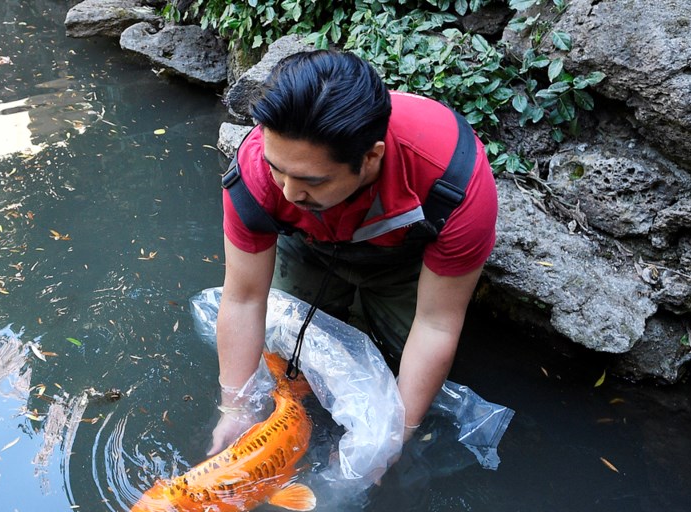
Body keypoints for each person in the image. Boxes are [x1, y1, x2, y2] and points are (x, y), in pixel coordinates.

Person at [209, 49, 498, 456]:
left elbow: (436, 325)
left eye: (311, 179)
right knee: (283, 357)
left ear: (370, 157)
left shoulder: (452, 183)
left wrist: (390, 442)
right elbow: (242, 298)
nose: (288, 192)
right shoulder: (257, 174)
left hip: (405, 259)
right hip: (309, 245)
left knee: (404, 380)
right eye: (279, 169)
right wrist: (235, 409)